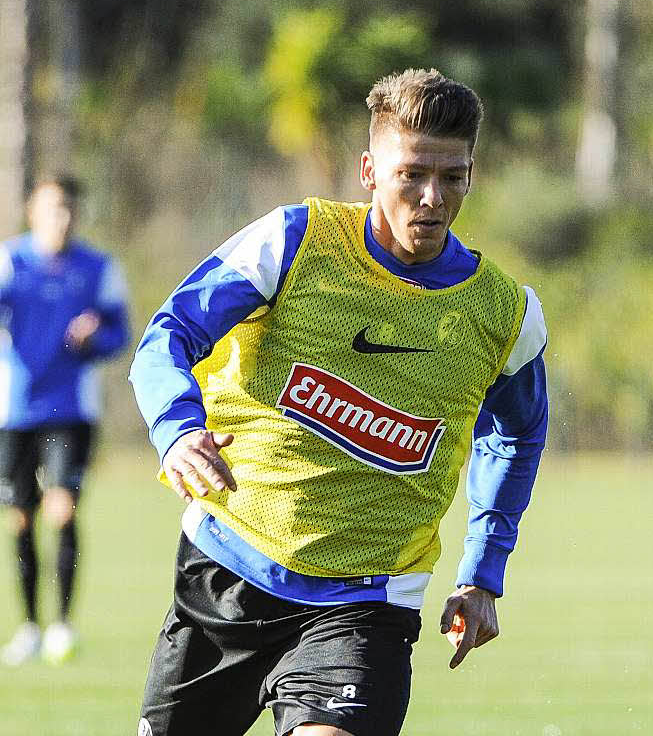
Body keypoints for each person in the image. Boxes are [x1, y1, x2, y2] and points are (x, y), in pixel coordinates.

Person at [129, 68, 548, 736]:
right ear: (369, 170)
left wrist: (483, 572)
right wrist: (178, 430)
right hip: (228, 568)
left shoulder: (503, 314)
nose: (432, 198)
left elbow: (517, 434)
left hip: (366, 601)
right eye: (412, 174)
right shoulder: (294, 243)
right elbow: (168, 334)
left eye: (453, 176)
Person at [0, 176, 130, 665]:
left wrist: (95, 334)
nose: (64, 218)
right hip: (14, 410)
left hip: (71, 409)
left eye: (71, 209)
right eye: (54, 208)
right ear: (33, 211)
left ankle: (62, 625)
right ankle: (29, 627)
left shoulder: (98, 269)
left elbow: (121, 332)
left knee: (63, 510)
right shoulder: (12, 262)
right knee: (20, 517)